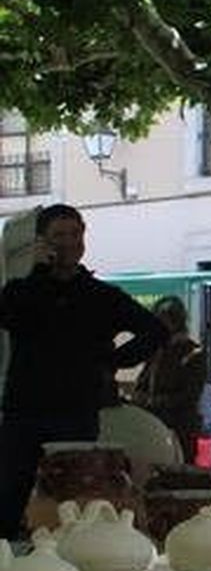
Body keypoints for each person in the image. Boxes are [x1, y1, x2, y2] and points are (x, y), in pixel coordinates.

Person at [0, 203, 167, 539]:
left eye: (75, 234)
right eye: (58, 235)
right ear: (43, 242)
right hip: (25, 411)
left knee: (75, 500)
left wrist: (112, 362)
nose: (68, 243)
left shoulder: (101, 297)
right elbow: (9, 311)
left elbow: (155, 331)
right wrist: (38, 275)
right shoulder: (22, 293)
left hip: (75, 412)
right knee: (8, 495)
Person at [132, 296, 207, 463]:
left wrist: (155, 401)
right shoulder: (157, 351)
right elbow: (143, 382)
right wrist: (138, 397)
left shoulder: (192, 353)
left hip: (180, 426)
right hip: (154, 425)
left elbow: (190, 394)